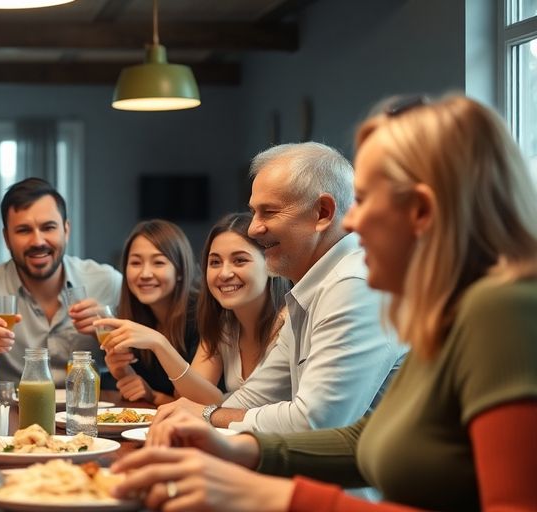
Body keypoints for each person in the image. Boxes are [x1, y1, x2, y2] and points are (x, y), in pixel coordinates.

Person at [111, 94, 537, 511]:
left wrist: (273, 495)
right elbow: (365, 439)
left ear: (422, 211)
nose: (351, 221)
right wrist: (247, 450)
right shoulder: (444, 313)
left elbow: (319, 422)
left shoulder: (498, 310)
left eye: (366, 200)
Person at [154, 142, 406, 434]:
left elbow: (313, 421)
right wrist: (202, 413)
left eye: (269, 212)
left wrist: (208, 414)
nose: (253, 228)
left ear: (323, 213)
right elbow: (254, 399)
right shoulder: (313, 288)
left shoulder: (355, 285)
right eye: (254, 212)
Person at [0, 177, 122, 385]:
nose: (38, 241)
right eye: (23, 230)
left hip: (92, 410)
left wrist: (111, 334)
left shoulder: (108, 282)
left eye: (48, 227)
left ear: (66, 230)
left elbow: (144, 360)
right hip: (13, 413)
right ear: (7, 238)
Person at [100, 214, 290, 406]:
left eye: (239, 260)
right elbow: (194, 399)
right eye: (215, 262)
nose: (224, 273)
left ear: (271, 263)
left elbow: (235, 405)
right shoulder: (224, 323)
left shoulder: (290, 323)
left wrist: (159, 344)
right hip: (231, 432)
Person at [93, 220, 201, 405]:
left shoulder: (201, 315)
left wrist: (156, 396)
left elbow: (198, 403)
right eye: (135, 262)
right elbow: (140, 392)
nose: (145, 274)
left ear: (180, 271)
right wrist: (122, 372)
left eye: (158, 262)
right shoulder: (132, 317)